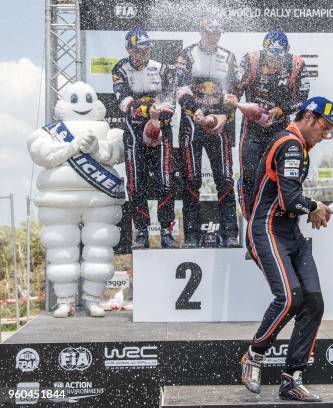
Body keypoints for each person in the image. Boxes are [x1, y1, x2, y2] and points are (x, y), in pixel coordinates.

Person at [240, 97, 333, 402]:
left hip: (289, 233)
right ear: (310, 118)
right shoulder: (291, 144)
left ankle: (291, 379)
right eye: (325, 128)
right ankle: (253, 356)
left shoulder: (300, 146)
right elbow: (289, 200)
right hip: (266, 230)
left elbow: (289, 197)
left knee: (313, 302)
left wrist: (311, 208)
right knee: (289, 298)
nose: (327, 136)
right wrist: (313, 206)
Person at [28, 81, 124, 317]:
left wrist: (97, 149)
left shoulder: (112, 132)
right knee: (61, 251)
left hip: (101, 199)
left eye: (88, 99)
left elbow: (119, 151)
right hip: (59, 201)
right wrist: (71, 147)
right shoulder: (48, 132)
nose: (82, 104)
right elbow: (41, 153)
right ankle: (64, 300)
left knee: (100, 249)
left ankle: (93, 299)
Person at [112, 28, 179, 249]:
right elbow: (123, 101)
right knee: (135, 183)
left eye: (147, 49)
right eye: (139, 49)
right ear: (129, 49)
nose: (143, 53)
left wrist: (159, 114)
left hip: (161, 130)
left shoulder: (162, 68)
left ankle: (167, 231)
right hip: (134, 131)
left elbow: (171, 102)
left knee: (165, 181)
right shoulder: (119, 69)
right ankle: (141, 231)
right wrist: (144, 110)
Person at [175, 18, 239, 248]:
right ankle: (191, 236)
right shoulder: (187, 54)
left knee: (225, 178)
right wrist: (196, 110)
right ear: (200, 31)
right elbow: (180, 89)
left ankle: (231, 233)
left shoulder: (228, 56)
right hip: (193, 124)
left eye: (217, 32)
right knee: (192, 180)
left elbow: (235, 92)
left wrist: (224, 115)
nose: (213, 36)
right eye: (209, 32)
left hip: (219, 124)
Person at [233, 31, 310, 220]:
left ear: (287, 51)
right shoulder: (251, 60)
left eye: (279, 55)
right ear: (264, 51)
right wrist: (232, 99)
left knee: (282, 175)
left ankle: (277, 217)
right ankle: (251, 218)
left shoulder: (297, 64)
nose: (274, 60)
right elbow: (235, 88)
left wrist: (280, 110)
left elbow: (302, 99)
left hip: (280, 127)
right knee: (250, 173)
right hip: (252, 128)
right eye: (270, 55)